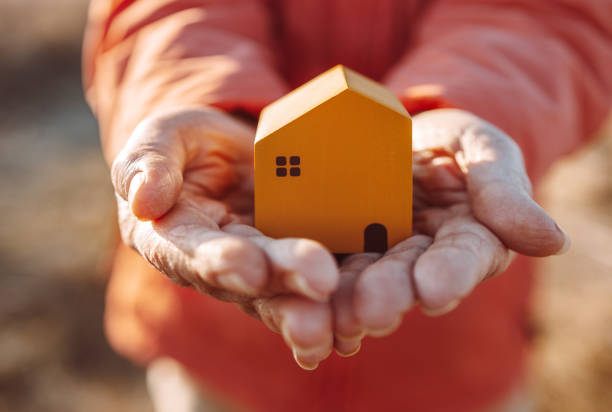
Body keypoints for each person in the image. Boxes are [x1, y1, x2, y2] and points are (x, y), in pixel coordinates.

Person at [83, 1, 612, 411]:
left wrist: (464, 103)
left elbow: (551, 14)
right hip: (218, 344)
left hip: (450, 358)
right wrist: (189, 92)